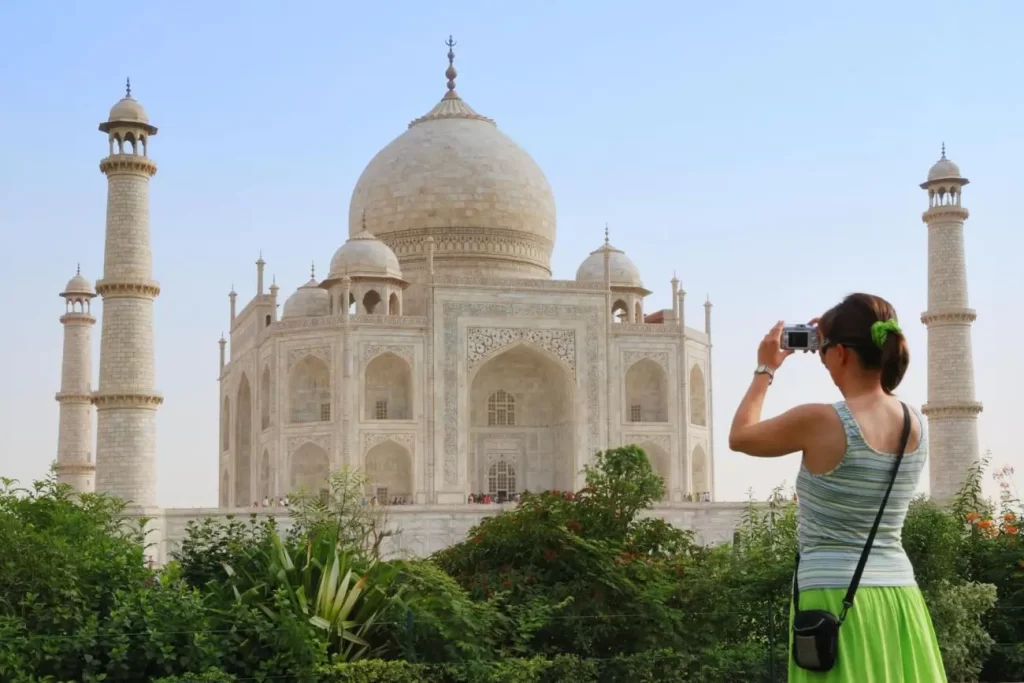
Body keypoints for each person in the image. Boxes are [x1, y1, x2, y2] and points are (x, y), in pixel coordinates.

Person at [728, 293, 945, 682]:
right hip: (899, 595)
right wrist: (834, 336)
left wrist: (766, 367)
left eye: (825, 350)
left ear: (842, 353)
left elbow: (740, 436)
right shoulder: (916, 423)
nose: (823, 359)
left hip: (830, 599)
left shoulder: (819, 420)